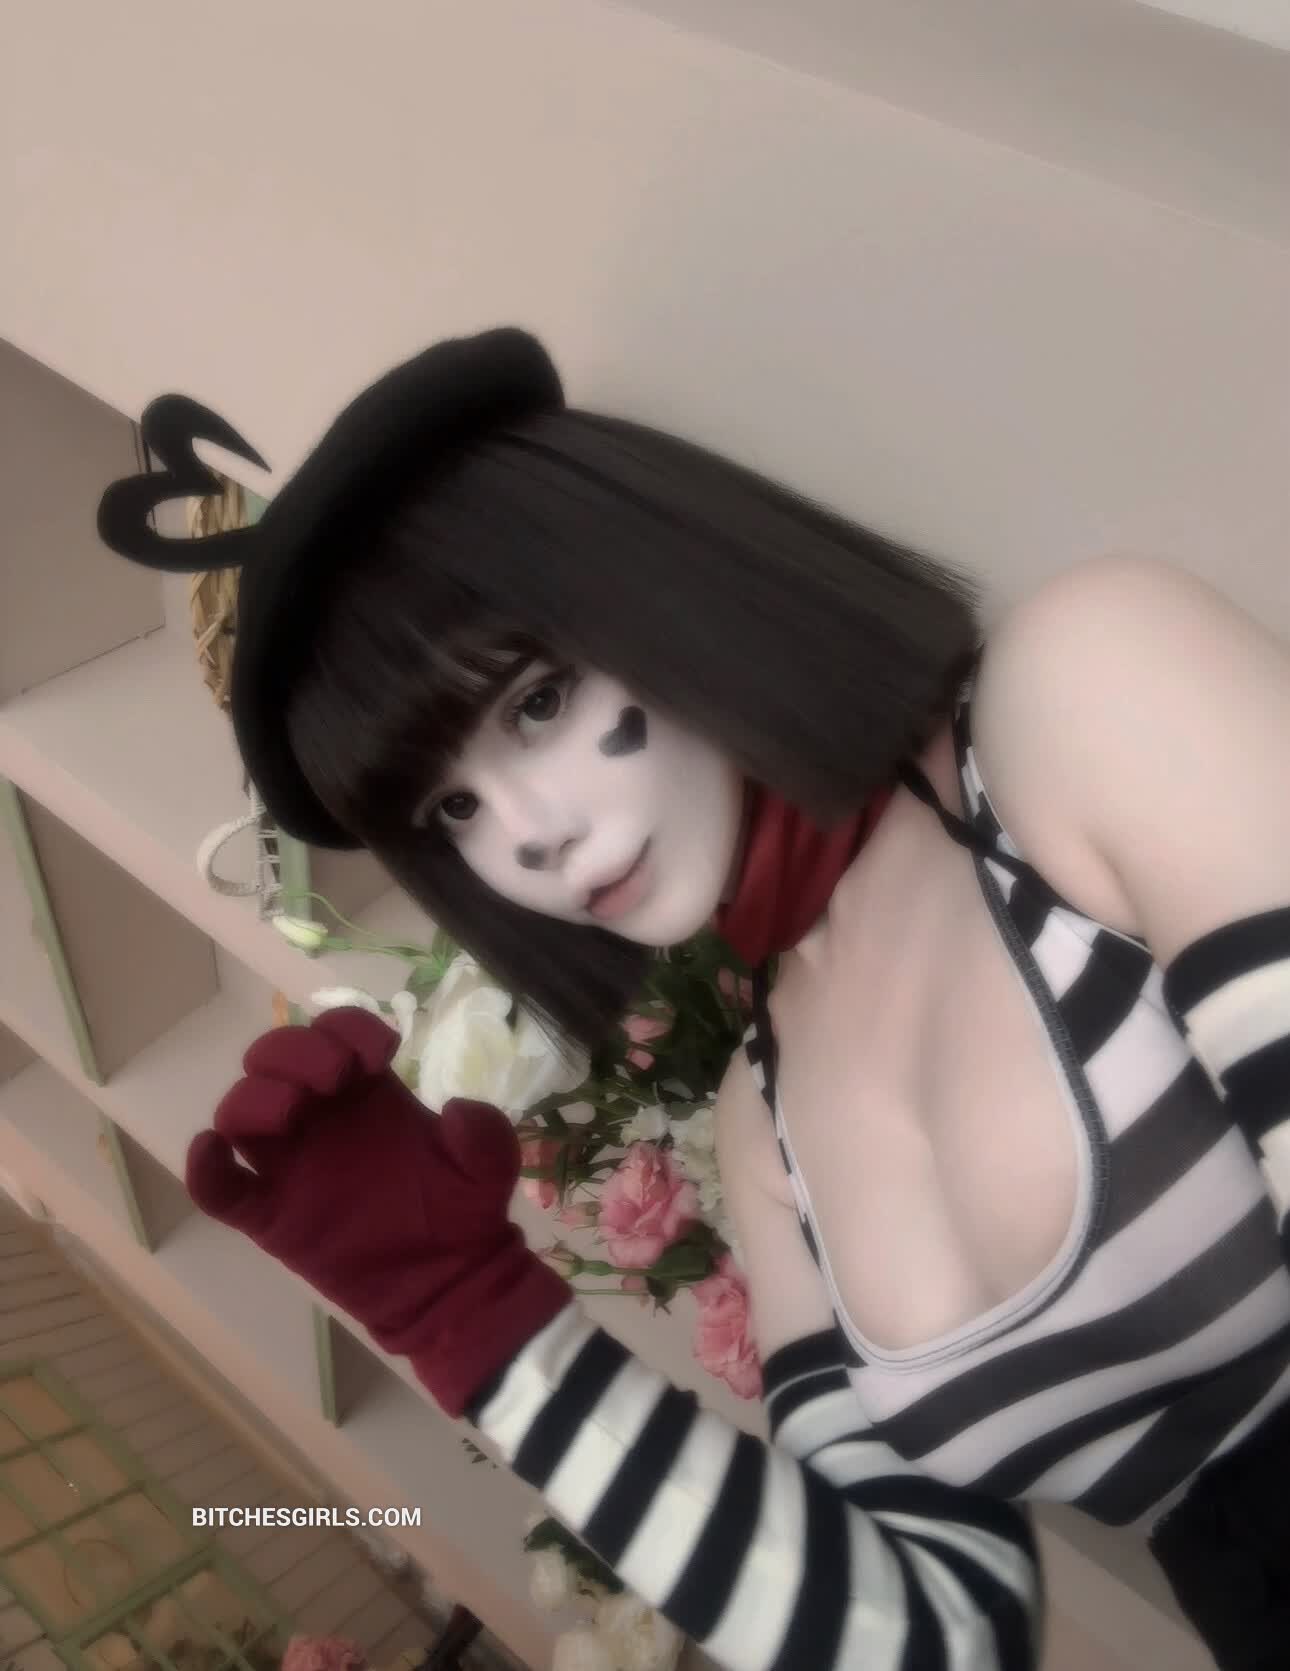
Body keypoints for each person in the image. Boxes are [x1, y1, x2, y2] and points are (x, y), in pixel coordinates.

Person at [98, 328, 1290, 1671]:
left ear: (660, 584)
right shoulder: (760, 1125)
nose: (528, 835)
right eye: (452, 810)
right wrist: (473, 1324)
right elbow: (934, 1640)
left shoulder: (1082, 696)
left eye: (539, 701)